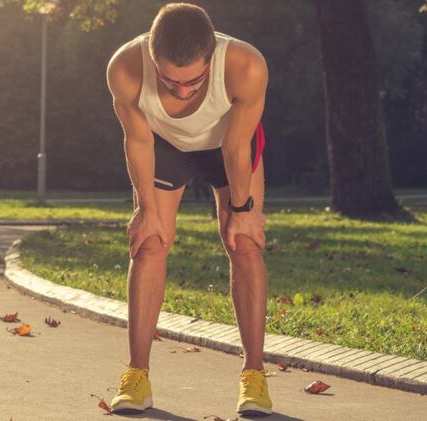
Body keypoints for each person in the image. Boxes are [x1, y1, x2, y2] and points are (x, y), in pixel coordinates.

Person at [105, 2, 271, 416]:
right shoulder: (125, 67)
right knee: (150, 242)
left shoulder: (246, 65)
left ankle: (254, 378)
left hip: (226, 144)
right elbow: (139, 142)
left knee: (244, 241)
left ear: (211, 55)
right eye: (168, 80)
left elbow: (236, 146)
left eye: (193, 81)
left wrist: (243, 208)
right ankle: (136, 377)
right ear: (151, 56)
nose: (181, 90)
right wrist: (145, 208)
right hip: (162, 146)